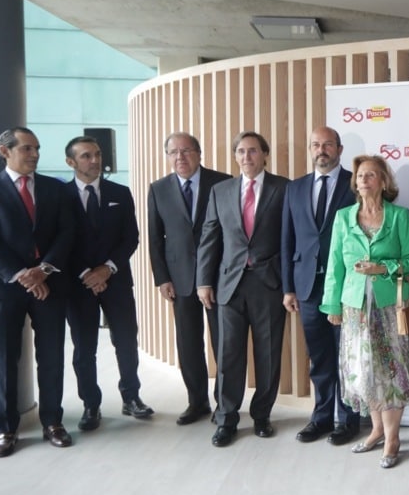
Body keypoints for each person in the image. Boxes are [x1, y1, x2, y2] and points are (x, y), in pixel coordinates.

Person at [0, 127, 76, 456]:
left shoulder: (54, 189)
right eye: (27, 148)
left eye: (37, 149)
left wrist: (43, 271)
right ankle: (5, 430)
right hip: (2, 287)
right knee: (3, 358)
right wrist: (22, 275)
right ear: (5, 150)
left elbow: (67, 232)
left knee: (52, 355)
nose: (34, 155)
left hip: (50, 284)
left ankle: (53, 422)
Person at [321, 156, 409, 469]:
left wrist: (384, 267)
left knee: (391, 372)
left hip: (391, 307)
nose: (363, 179)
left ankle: (392, 439)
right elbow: (335, 264)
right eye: (360, 175)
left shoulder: (398, 216)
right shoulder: (343, 218)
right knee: (366, 371)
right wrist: (332, 304)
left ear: (383, 181)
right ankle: (377, 430)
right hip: (355, 309)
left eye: (370, 175)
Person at [197, 131, 291, 447]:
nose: (246, 157)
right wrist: (203, 281)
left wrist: (287, 284)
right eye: (240, 151)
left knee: (268, 354)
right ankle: (226, 419)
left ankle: (262, 415)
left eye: (252, 151)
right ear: (235, 156)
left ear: (264, 155)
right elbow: (209, 238)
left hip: (269, 284)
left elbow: (290, 238)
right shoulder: (220, 191)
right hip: (229, 285)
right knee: (228, 355)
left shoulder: (283, 188)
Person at [63, 135, 153, 431]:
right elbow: (60, 242)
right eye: (87, 156)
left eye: (97, 154)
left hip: (116, 281)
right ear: (71, 162)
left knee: (126, 342)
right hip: (78, 285)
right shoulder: (59, 196)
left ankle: (132, 397)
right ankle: (91, 404)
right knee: (84, 348)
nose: (95, 160)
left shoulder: (120, 192)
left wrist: (107, 270)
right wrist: (87, 274)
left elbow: (131, 238)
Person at [281, 126, 361, 444]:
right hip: (308, 288)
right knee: (320, 357)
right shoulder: (295, 188)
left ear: (339, 149)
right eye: (316, 144)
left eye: (328, 144)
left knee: (347, 355)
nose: (321, 150)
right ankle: (322, 417)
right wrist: (289, 287)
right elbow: (287, 239)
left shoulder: (355, 184)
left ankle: (349, 418)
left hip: (345, 286)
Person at [147, 132, 232, 424]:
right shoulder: (158, 189)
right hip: (179, 278)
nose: (180, 157)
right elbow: (155, 238)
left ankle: (225, 403)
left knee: (224, 342)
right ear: (167, 156)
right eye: (173, 152)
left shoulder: (223, 182)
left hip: (219, 277)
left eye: (186, 151)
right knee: (188, 342)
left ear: (199, 153)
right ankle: (197, 402)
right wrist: (162, 278)